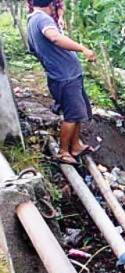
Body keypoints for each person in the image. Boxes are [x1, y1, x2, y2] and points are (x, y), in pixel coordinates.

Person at [27, 0, 97, 165]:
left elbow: (35, 49)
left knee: (77, 112)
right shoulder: (42, 19)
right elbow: (55, 38)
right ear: (50, 4)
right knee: (71, 116)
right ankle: (63, 151)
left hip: (66, 75)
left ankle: (76, 145)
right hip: (65, 77)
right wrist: (83, 49)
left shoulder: (32, 20)